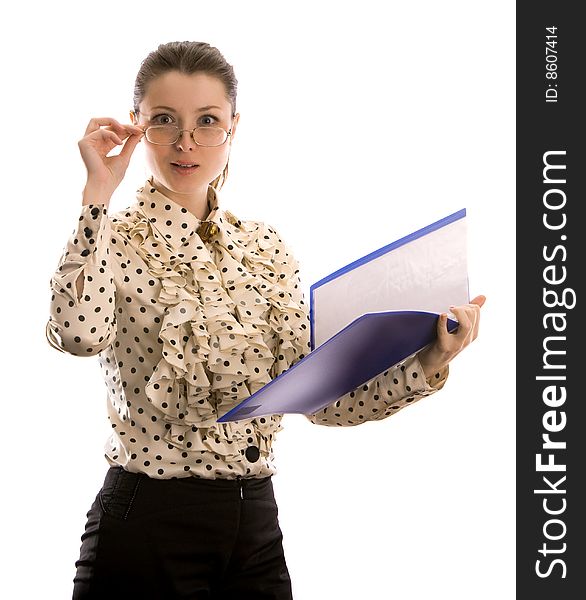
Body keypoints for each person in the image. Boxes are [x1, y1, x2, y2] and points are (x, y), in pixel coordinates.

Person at [46, 40, 485, 600]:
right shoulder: (112, 236)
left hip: (254, 528)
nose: (186, 142)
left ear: (233, 127)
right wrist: (96, 196)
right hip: (147, 527)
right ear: (136, 127)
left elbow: (323, 400)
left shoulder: (265, 249)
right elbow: (76, 335)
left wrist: (431, 358)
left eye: (207, 121)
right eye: (163, 121)